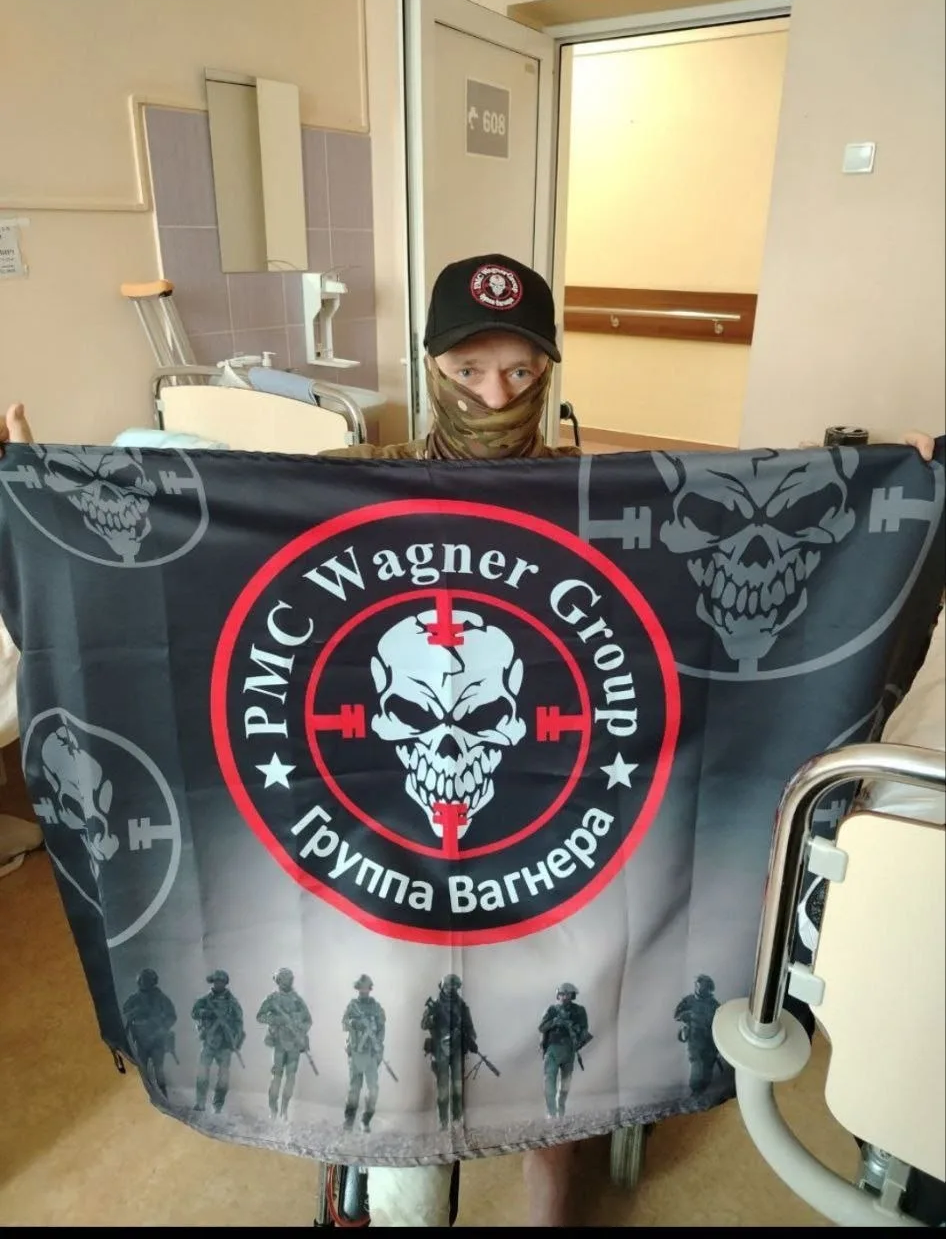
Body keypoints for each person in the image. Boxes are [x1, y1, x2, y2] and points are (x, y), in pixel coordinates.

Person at [0, 288, 939, 1226]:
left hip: (551, 851)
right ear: (432, 367)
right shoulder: (348, 482)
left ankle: (552, 1188)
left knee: (567, 1009)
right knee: (376, 995)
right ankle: (367, 1168)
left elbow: (728, 560)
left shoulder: (597, 496)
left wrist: (891, 487)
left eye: (522, 370)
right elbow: (203, 538)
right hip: (374, 845)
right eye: (470, 369)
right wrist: (37, 483)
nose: (496, 395)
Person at [421, 973, 480, 1132]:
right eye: (448, 986)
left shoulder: (461, 1006)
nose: (450, 989)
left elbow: (470, 1028)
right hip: (440, 1050)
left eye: (454, 987)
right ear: (442, 986)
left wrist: (470, 1039)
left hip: (457, 1051)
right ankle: (443, 1121)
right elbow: (424, 1025)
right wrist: (432, 1017)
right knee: (442, 1088)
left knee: (457, 1087)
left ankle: (457, 1119)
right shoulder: (434, 1005)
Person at [255, 966, 313, 1120]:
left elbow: (308, 1021)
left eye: (289, 979)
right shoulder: (272, 999)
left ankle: (284, 1110)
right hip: (279, 1042)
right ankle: (273, 1110)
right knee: (276, 1077)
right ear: (278, 981)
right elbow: (260, 1016)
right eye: (284, 979)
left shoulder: (297, 1000)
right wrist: (277, 1020)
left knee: (291, 1078)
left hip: (294, 1043)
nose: (287, 982)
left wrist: (298, 1027)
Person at [191, 968, 245, 1114]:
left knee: (223, 1078)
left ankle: (218, 1105)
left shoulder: (232, 1003)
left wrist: (235, 1040)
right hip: (209, 1041)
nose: (218, 984)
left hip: (225, 1044)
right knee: (202, 1074)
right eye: (216, 981)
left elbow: (239, 1023)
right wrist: (207, 1013)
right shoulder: (204, 1000)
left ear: (225, 983)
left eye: (221, 981)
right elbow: (194, 1013)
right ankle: (200, 1103)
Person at [538, 983, 593, 1119]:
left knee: (565, 1084)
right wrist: (555, 1022)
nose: (564, 997)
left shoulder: (579, 1011)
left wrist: (576, 1033)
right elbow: (541, 1027)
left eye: (567, 994)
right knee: (549, 1081)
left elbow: (584, 1030)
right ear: (558, 995)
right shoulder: (552, 1010)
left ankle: (560, 1113)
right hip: (552, 1049)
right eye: (562, 994)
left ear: (572, 995)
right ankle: (551, 1113)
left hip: (569, 1050)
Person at [122, 967, 178, 1099]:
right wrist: (136, 1012)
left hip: (157, 1039)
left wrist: (162, 1027)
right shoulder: (134, 999)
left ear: (153, 981)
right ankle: (145, 1097)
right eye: (143, 980)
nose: (145, 983)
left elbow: (171, 1016)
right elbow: (126, 1013)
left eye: (148, 980)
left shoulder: (161, 998)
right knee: (142, 1070)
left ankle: (163, 1096)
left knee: (158, 1070)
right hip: (140, 1039)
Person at [341, 973, 386, 1132]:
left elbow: (381, 1028)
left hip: (371, 1053)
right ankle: (349, 1120)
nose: (364, 990)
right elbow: (344, 1023)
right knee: (354, 1089)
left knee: (373, 1089)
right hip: (356, 1052)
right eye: (361, 987)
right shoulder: (352, 1005)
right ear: (358, 988)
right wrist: (355, 1023)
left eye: (366, 987)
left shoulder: (376, 1007)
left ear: (370, 988)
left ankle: (366, 1120)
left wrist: (378, 1044)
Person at [673, 974, 728, 1095]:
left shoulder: (715, 1005)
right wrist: (686, 1015)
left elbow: (722, 1022)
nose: (700, 988)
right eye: (698, 985)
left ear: (709, 988)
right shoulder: (688, 1001)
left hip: (709, 1039)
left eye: (703, 986)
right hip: (694, 1037)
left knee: (708, 1063)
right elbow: (676, 1015)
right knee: (696, 1061)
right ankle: (695, 1089)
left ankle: (703, 1089)